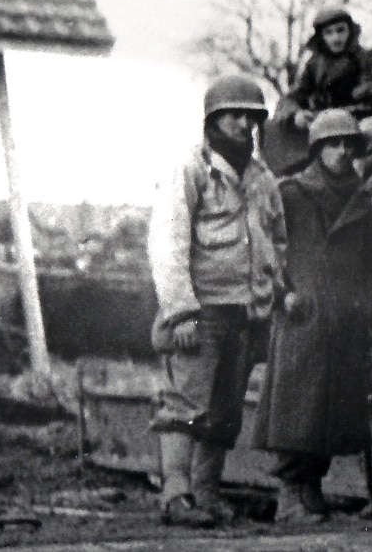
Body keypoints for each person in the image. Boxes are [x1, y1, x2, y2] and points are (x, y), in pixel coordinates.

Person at [147, 74, 282, 527]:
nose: (244, 124)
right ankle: (175, 494)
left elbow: (277, 240)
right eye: (234, 115)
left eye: (251, 116)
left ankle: (206, 493)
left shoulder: (263, 178)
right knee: (185, 404)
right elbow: (167, 244)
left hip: (244, 311)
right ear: (212, 120)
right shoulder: (190, 170)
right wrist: (181, 310)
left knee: (225, 410)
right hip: (200, 312)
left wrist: (268, 291)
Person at [253, 109, 372, 523]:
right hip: (301, 316)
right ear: (316, 150)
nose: (342, 152)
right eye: (332, 144)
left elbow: (369, 263)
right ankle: (290, 498)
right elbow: (262, 249)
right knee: (297, 408)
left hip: (343, 319)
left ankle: (313, 493)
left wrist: (365, 307)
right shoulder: (291, 193)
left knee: (329, 411)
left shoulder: (361, 199)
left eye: (348, 144)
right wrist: (281, 294)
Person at [266, 7, 372, 175]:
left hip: (366, 129)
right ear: (321, 37)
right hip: (327, 131)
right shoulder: (314, 68)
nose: (336, 38)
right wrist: (295, 115)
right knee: (272, 129)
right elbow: (289, 99)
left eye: (340, 30)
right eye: (328, 33)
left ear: (350, 31)